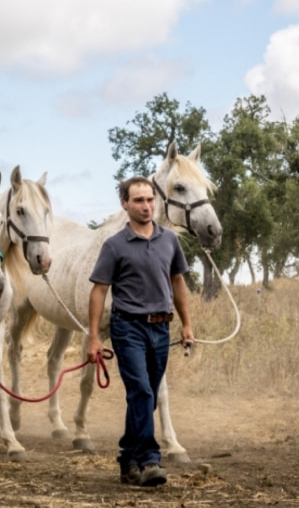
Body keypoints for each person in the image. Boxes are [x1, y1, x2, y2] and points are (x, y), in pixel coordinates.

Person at [86, 175, 194, 488]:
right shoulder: (114, 245)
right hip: (127, 327)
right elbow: (99, 291)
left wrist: (186, 324)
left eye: (149, 200)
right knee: (144, 393)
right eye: (138, 201)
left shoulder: (169, 241)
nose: (146, 206)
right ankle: (149, 461)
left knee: (144, 399)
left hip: (161, 329)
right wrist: (93, 337)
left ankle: (126, 459)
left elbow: (178, 283)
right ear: (125, 204)